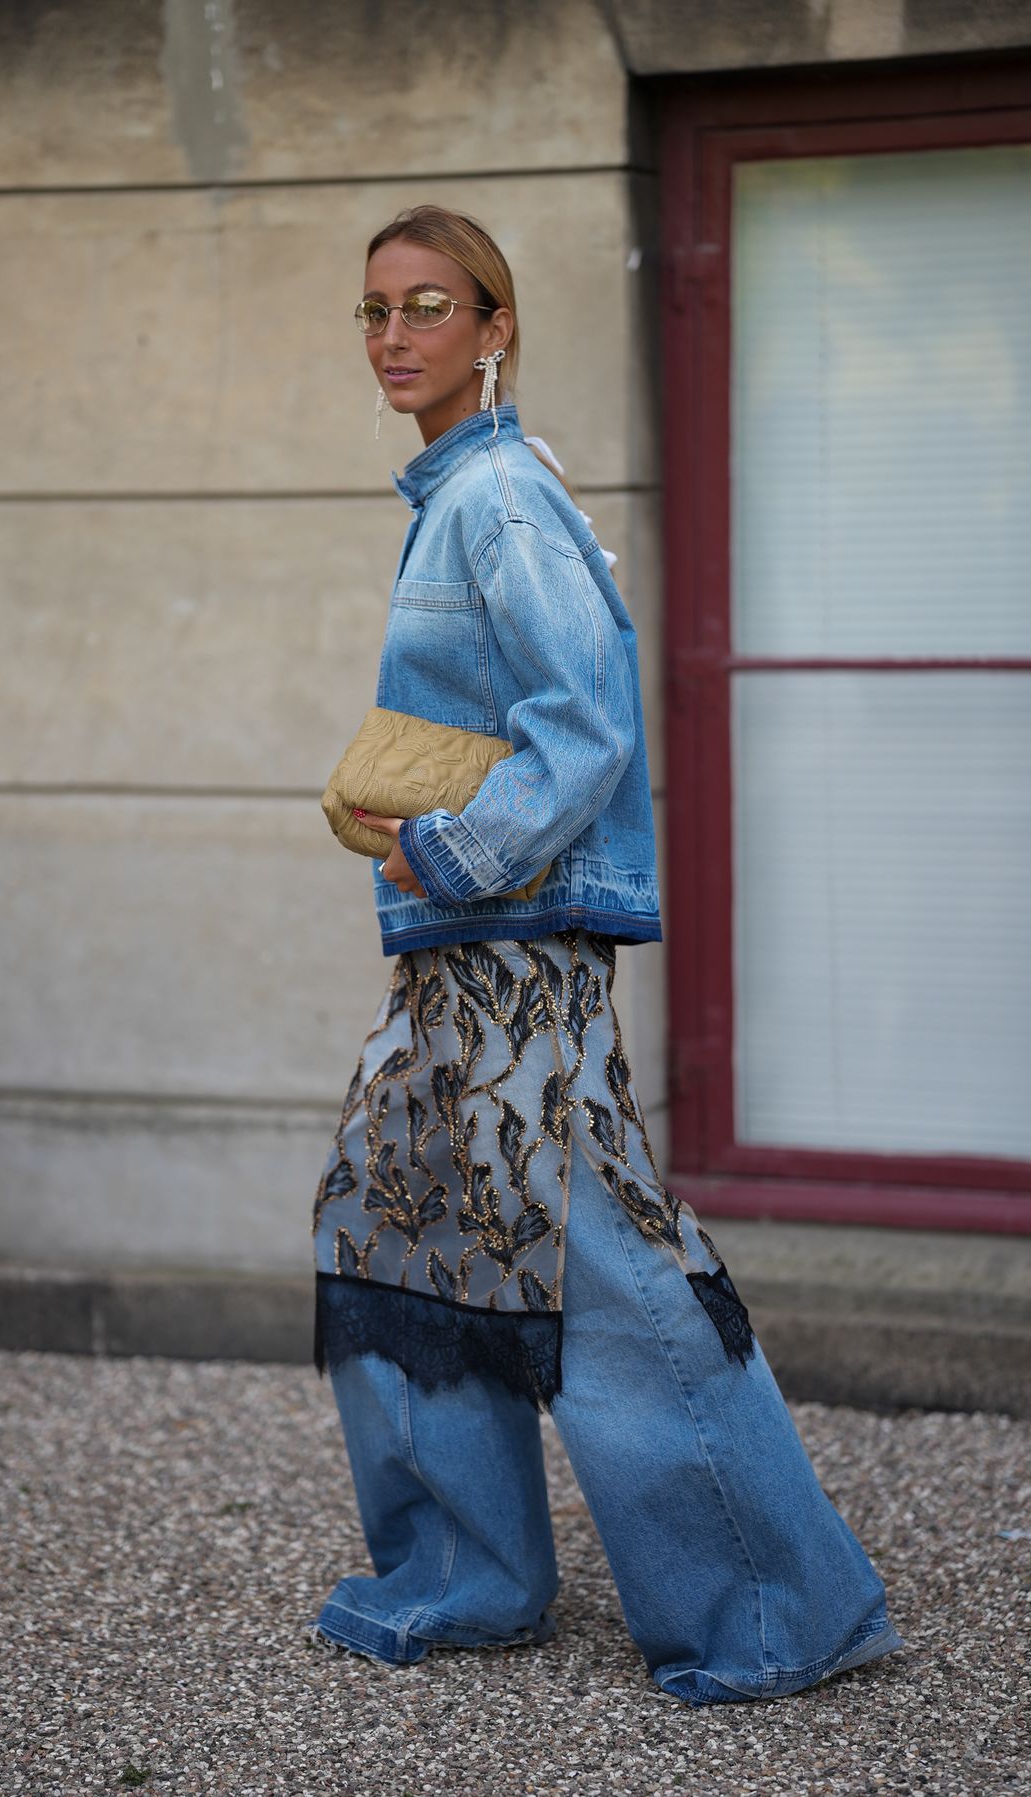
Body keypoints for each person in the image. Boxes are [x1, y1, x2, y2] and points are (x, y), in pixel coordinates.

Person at [307, 203, 905, 1706]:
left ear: (496, 327)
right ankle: (465, 1574)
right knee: (390, 1222)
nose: (394, 337)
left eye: (429, 306)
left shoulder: (499, 500)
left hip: (518, 947)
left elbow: (588, 719)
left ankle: (779, 1605)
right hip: (466, 949)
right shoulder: (461, 496)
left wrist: (450, 849)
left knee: (603, 1264)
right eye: (375, 311)